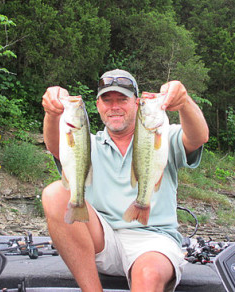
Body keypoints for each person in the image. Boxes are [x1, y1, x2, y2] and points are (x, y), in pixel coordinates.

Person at [41, 69, 209, 292]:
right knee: (54, 194)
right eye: (107, 100)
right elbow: (55, 145)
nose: (114, 106)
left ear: (137, 103)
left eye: (122, 99)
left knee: (148, 275)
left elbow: (198, 137)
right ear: (98, 106)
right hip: (102, 240)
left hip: (153, 241)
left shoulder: (163, 134)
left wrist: (184, 102)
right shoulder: (87, 142)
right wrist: (53, 114)